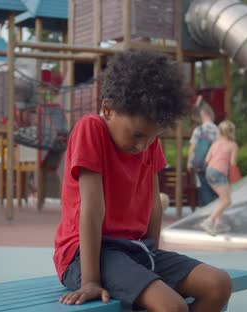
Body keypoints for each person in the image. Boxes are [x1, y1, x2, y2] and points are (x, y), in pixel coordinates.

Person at [54, 49, 232, 311]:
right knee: (173, 307)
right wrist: (91, 281)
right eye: (137, 135)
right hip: (87, 254)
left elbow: (154, 204)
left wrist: (153, 263)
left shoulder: (149, 141)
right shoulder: (91, 128)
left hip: (135, 250)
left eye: (151, 136)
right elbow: (92, 208)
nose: (143, 144)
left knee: (219, 284)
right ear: (108, 109)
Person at [199, 120, 239, 236]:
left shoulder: (215, 143)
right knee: (227, 200)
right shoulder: (233, 145)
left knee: (222, 199)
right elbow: (233, 163)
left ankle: (218, 223)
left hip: (209, 171)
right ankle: (209, 221)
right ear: (232, 132)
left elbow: (207, 159)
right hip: (219, 172)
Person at [187, 103, 219, 207]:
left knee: (204, 189)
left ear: (202, 114)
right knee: (215, 189)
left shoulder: (198, 130)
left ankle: (207, 214)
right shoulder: (217, 129)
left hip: (200, 164)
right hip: (214, 164)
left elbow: (192, 148)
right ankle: (215, 213)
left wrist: (189, 162)